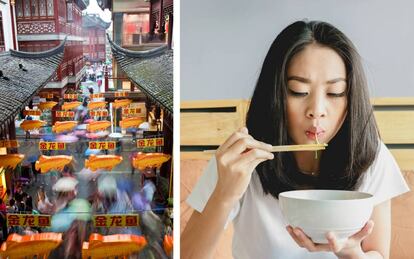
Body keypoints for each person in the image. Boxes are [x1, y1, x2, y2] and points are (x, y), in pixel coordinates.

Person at [181, 20, 410, 259]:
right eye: (299, 92)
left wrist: (351, 252)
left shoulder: (370, 156)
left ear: (351, 97)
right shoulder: (241, 159)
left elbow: (378, 254)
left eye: (335, 93)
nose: (317, 110)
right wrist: (224, 194)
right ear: (275, 95)